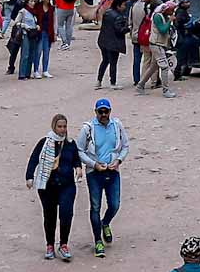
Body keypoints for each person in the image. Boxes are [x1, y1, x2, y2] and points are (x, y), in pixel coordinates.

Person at [25, 113, 80, 261]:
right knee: (49, 216)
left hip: (67, 185)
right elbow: (34, 158)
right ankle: (50, 245)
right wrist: (29, 176)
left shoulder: (70, 143)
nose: (62, 129)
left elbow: (76, 158)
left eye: (64, 126)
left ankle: (63, 244)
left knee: (66, 214)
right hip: (47, 186)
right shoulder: (44, 143)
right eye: (59, 126)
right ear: (54, 127)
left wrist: (78, 168)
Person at [78, 98, 128, 257]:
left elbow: (125, 146)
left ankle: (105, 223)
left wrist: (118, 160)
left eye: (106, 111)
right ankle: (98, 240)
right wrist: (93, 164)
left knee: (114, 204)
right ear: (96, 112)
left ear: (110, 111)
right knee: (95, 206)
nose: (104, 114)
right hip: (95, 172)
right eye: (101, 112)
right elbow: (79, 150)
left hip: (112, 170)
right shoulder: (88, 128)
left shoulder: (117, 126)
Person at [95, 0, 127, 89]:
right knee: (113, 63)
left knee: (105, 61)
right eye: (123, 5)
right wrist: (128, 28)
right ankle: (113, 83)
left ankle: (99, 80)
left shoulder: (107, 13)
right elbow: (119, 30)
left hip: (103, 40)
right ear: (118, 6)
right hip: (113, 42)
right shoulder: (118, 17)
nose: (124, 7)